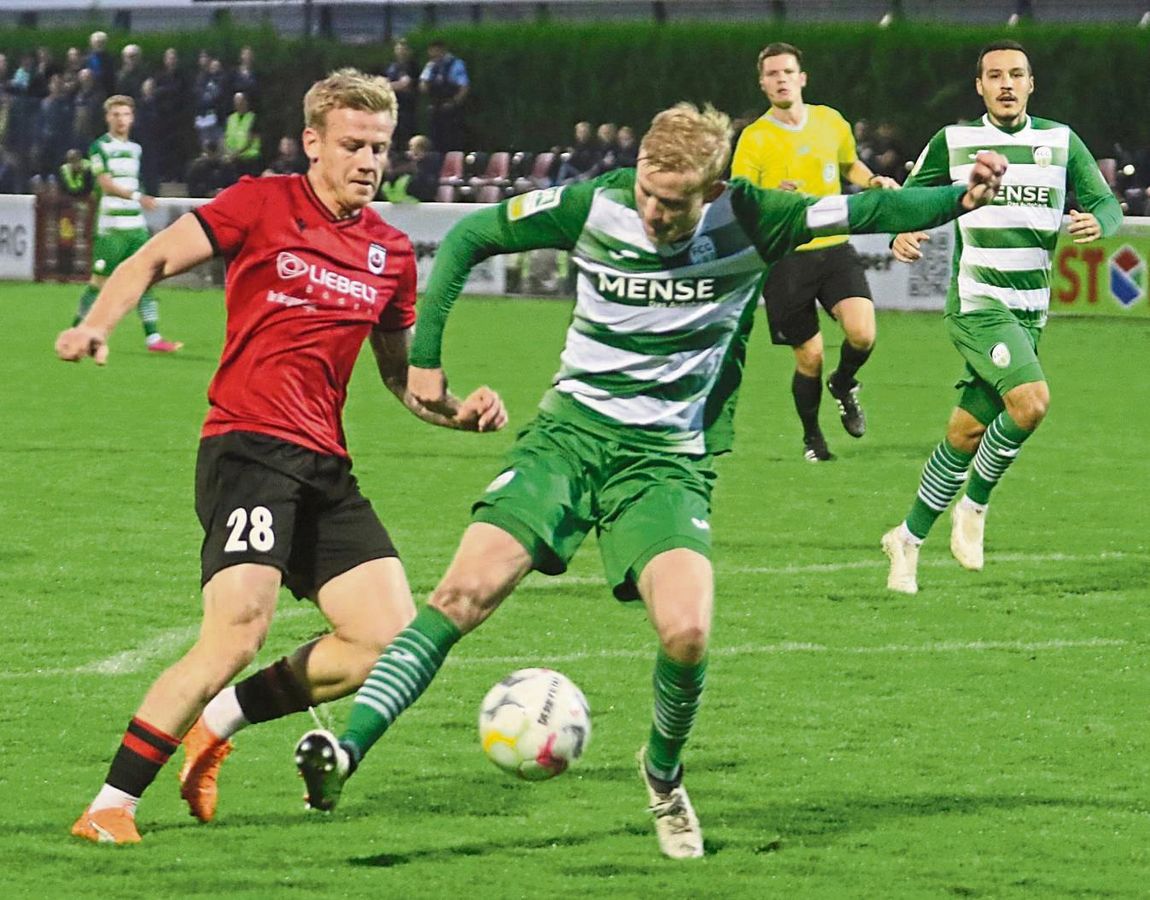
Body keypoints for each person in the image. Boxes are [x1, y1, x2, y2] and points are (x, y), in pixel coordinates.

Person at [291, 101, 1007, 860]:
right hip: (567, 441)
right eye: (648, 194)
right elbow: (470, 235)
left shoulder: (758, 217)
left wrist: (961, 197)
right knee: (459, 596)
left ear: (713, 190)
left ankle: (663, 777)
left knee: (689, 631)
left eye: (674, 203)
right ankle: (346, 754)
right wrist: (426, 359)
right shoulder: (594, 203)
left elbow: (873, 206)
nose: (655, 213)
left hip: (665, 462)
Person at [58, 68, 508, 846]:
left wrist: (457, 413)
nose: (369, 160)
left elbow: (400, 379)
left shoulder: (390, 253)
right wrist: (98, 322)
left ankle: (219, 724)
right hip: (248, 448)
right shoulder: (260, 202)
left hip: (325, 465)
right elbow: (149, 261)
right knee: (236, 632)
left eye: (380, 146)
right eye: (353, 145)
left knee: (386, 640)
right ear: (312, 143)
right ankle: (110, 805)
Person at [880, 40, 1122, 595]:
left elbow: (1105, 203)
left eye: (1016, 74)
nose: (1006, 83)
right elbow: (913, 200)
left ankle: (907, 539)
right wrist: (903, 229)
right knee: (1032, 401)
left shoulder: (1060, 142)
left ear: (1031, 84)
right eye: (995, 75)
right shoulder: (955, 141)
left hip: (1031, 313)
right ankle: (976, 505)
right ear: (980, 86)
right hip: (978, 304)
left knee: (965, 433)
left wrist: (1100, 224)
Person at [731, 43, 900, 462]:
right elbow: (740, 198)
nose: (781, 79)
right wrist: (771, 197)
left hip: (835, 247)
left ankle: (843, 383)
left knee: (863, 333)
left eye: (788, 71)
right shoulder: (754, 138)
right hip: (786, 257)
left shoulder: (830, 121)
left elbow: (849, 166)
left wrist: (873, 181)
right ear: (763, 83)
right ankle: (812, 438)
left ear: (802, 77)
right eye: (772, 74)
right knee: (810, 356)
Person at [70, 94, 182, 353]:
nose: (121, 120)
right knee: (98, 282)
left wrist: (138, 197)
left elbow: (133, 182)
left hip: (135, 228)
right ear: (108, 117)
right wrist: (136, 196)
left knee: (144, 279)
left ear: (132, 118)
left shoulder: (135, 149)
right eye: (116, 114)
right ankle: (76, 330)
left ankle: (153, 338)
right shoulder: (99, 147)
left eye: (126, 114)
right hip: (111, 229)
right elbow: (105, 184)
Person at [419, 39, 469, 152]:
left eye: (435, 52)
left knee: (451, 139)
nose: (432, 55)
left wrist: (454, 102)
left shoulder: (456, 64)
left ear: (442, 50)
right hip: (435, 106)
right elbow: (423, 84)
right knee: (435, 138)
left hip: (451, 107)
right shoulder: (431, 65)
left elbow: (464, 87)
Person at [385, 38, 419, 153]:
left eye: (404, 49)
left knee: (406, 134)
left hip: (407, 107)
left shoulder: (411, 66)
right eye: (399, 48)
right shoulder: (393, 66)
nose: (401, 51)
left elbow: (404, 84)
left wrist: (385, 86)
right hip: (393, 105)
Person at [223, 91, 261, 178]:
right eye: (236, 102)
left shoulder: (253, 118)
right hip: (234, 159)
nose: (239, 104)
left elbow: (251, 139)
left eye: (241, 102)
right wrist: (228, 153)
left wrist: (236, 153)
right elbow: (226, 137)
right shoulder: (231, 118)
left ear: (246, 102)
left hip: (250, 159)